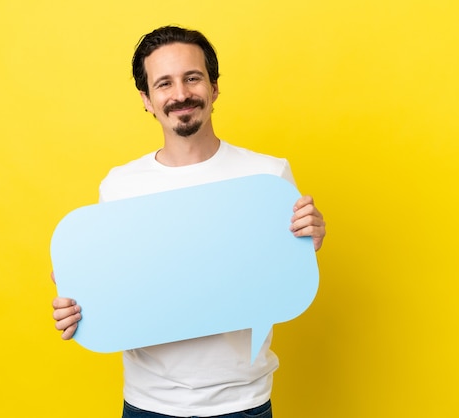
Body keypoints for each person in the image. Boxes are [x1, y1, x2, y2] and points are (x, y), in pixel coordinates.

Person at [51, 26, 326, 418]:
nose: (180, 94)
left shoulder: (268, 176)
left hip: (243, 402)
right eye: (164, 83)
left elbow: (283, 277)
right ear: (146, 99)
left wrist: (309, 240)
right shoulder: (119, 187)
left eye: (192, 78)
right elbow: (115, 291)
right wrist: (79, 307)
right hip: (149, 403)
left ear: (214, 87)